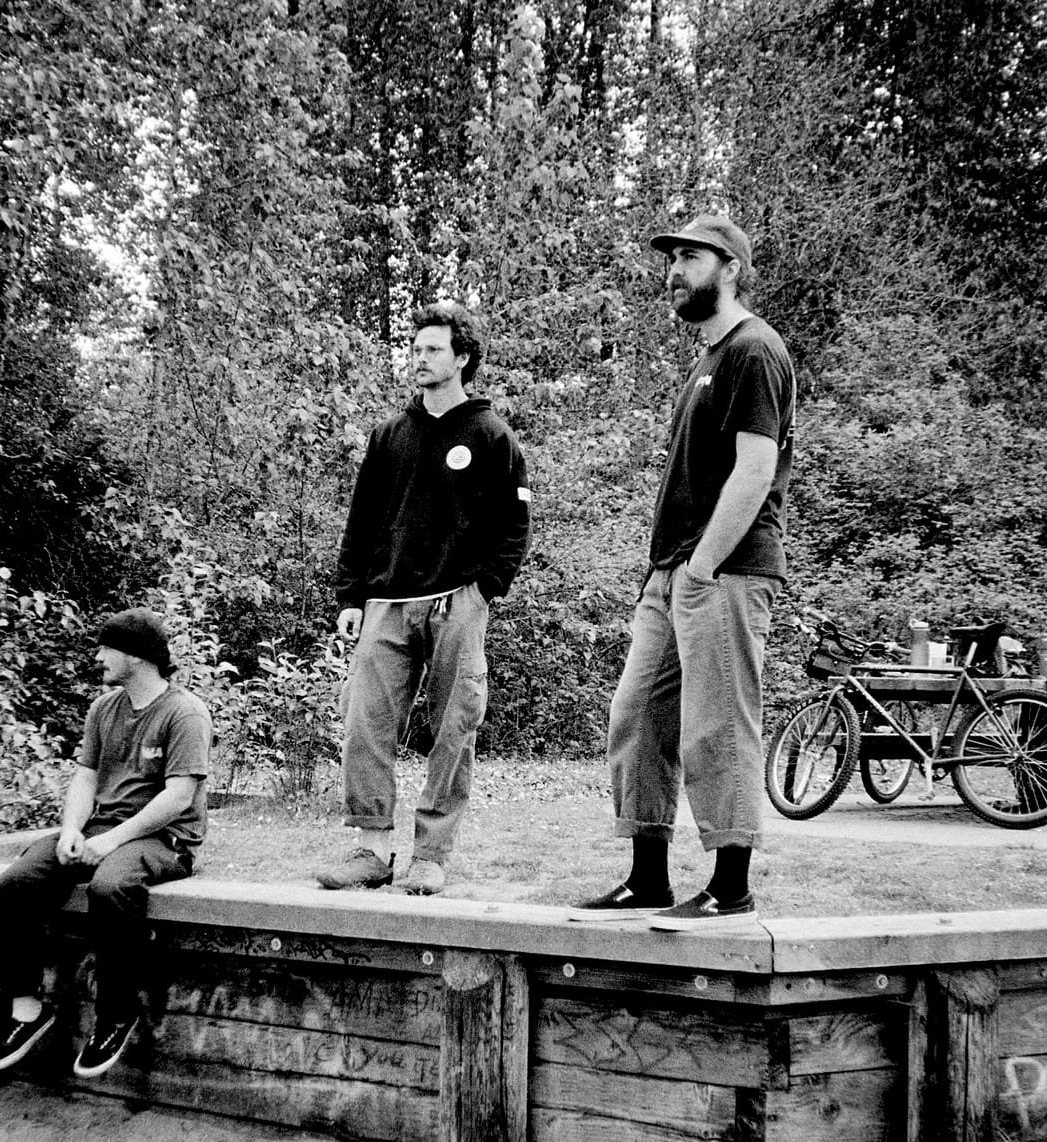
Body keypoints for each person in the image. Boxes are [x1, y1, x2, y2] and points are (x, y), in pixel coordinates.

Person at [570, 215, 795, 930]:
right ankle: (648, 880)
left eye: (690, 258)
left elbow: (756, 471)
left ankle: (731, 888)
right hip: (672, 576)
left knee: (718, 726)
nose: (674, 271)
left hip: (723, 572)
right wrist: (667, 574)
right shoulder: (705, 359)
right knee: (636, 716)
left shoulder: (754, 350)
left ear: (730, 267)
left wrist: (701, 566)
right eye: (670, 259)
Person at [314, 301, 532, 897]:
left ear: (462, 358)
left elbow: (515, 525)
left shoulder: (490, 435)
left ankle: (431, 856)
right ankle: (372, 848)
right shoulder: (389, 437)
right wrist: (351, 595)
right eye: (415, 348)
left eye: (432, 349)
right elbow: (361, 523)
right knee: (364, 722)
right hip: (386, 601)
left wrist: (486, 588)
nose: (419, 358)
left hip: (458, 600)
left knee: (454, 726)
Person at [0, 610, 211, 1080]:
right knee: (16, 883)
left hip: (164, 839)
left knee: (108, 888)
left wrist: (108, 841)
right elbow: (85, 778)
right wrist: (71, 830)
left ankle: (115, 1014)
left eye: (106, 648)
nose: (98, 656)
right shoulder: (103, 708)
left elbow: (179, 797)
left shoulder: (184, 712)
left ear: (135, 654)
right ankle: (28, 1011)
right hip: (100, 829)